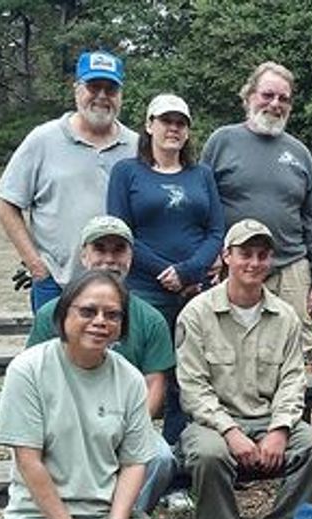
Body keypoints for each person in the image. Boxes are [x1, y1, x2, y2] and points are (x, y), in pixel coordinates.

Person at [0, 269, 171, 519]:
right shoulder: (28, 370)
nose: (100, 321)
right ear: (63, 315)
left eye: (112, 314)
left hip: (109, 514)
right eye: (88, 311)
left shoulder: (130, 379)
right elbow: (29, 461)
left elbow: (134, 462)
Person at [176, 219, 312, 519]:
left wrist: (280, 429)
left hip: (267, 419)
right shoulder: (196, 314)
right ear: (226, 256)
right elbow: (193, 388)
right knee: (209, 456)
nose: (254, 262)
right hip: (212, 425)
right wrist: (230, 432)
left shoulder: (286, 316)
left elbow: (292, 380)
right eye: (245, 253)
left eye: (262, 255)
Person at [26, 216, 176, 513]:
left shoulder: (150, 319)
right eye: (100, 249)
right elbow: (35, 380)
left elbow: (155, 382)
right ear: (84, 255)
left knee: (160, 457)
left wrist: (126, 432)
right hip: (63, 424)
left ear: (131, 257)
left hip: (123, 423)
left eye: (119, 250)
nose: (109, 259)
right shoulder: (51, 314)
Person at [107, 92, 224, 445]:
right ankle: (128, 449)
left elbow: (216, 230)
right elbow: (120, 229)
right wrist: (165, 272)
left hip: (195, 290)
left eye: (180, 123)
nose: (173, 129)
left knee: (187, 377)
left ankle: (180, 456)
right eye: (166, 121)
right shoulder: (127, 172)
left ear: (188, 132)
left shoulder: (201, 175)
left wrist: (189, 271)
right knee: (141, 371)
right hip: (145, 289)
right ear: (149, 125)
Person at [0, 50, 138, 312]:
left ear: (121, 95)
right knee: (52, 353)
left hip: (119, 284)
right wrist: (35, 264)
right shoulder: (43, 139)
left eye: (111, 89)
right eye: (93, 87)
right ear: (76, 90)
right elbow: (5, 202)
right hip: (56, 283)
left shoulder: (137, 146)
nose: (102, 96)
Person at [201, 61, 312, 355]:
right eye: (267, 95)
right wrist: (211, 256)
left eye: (284, 99)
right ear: (249, 97)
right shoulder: (221, 142)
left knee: (296, 353)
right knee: (231, 350)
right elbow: (203, 208)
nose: (275, 104)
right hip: (235, 267)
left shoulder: (300, 154)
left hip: (291, 269)